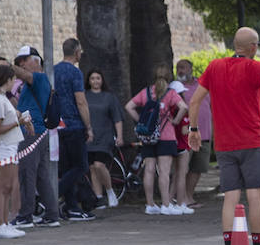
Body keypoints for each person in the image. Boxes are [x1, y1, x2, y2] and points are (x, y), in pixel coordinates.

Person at [189, 26, 260, 245]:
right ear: (254, 47)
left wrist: (194, 130)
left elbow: (195, 100)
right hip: (253, 142)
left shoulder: (214, 67)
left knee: (230, 199)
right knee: (255, 197)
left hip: (225, 144)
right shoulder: (253, 67)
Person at [10, 46, 60, 228]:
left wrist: (6, 66)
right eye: (19, 63)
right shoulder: (36, 83)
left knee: (27, 174)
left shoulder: (38, 78)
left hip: (31, 133)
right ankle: (52, 214)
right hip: (40, 133)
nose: (21, 65)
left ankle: (25, 216)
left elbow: (26, 76)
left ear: (35, 61)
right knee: (41, 175)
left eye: (24, 61)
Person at [125, 71, 188, 215]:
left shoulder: (146, 92)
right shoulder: (170, 93)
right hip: (166, 136)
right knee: (164, 172)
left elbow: (128, 106)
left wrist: (140, 120)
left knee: (149, 170)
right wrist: (176, 120)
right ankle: (166, 204)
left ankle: (150, 204)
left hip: (148, 137)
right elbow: (184, 107)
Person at [0, 62, 30, 237]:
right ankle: (0, 224)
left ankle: (5, 222)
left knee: (9, 186)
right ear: (9, 80)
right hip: (2, 148)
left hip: (10, 147)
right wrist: (18, 123)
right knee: (2, 187)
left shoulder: (2, 99)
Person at [54, 38, 96, 221]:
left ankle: (71, 207)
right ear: (77, 51)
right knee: (80, 166)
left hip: (58, 125)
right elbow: (81, 101)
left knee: (67, 167)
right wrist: (88, 126)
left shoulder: (53, 70)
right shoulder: (75, 73)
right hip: (74, 124)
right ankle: (54, 195)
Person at [84, 70, 124, 208]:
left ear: (102, 80)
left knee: (99, 165)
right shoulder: (85, 96)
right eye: (92, 78)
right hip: (89, 137)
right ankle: (99, 197)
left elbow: (117, 118)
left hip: (104, 136)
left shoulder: (109, 97)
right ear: (89, 81)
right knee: (92, 168)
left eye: (98, 78)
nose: (95, 81)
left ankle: (109, 190)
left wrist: (120, 136)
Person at [175, 58, 211, 206]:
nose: (180, 71)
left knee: (198, 168)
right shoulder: (176, 88)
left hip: (205, 133)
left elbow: (212, 107)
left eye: (183, 67)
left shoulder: (203, 85)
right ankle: (179, 198)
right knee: (183, 167)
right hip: (185, 135)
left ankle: (189, 197)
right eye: (178, 68)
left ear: (191, 69)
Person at [167, 79, 193, 210]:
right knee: (182, 175)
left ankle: (170, 200)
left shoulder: (169, 109)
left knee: (175, 175)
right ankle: (181, 203)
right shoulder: (183, 110)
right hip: (182, 145)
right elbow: (184, 130)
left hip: (171, 144)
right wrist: (194, 129)